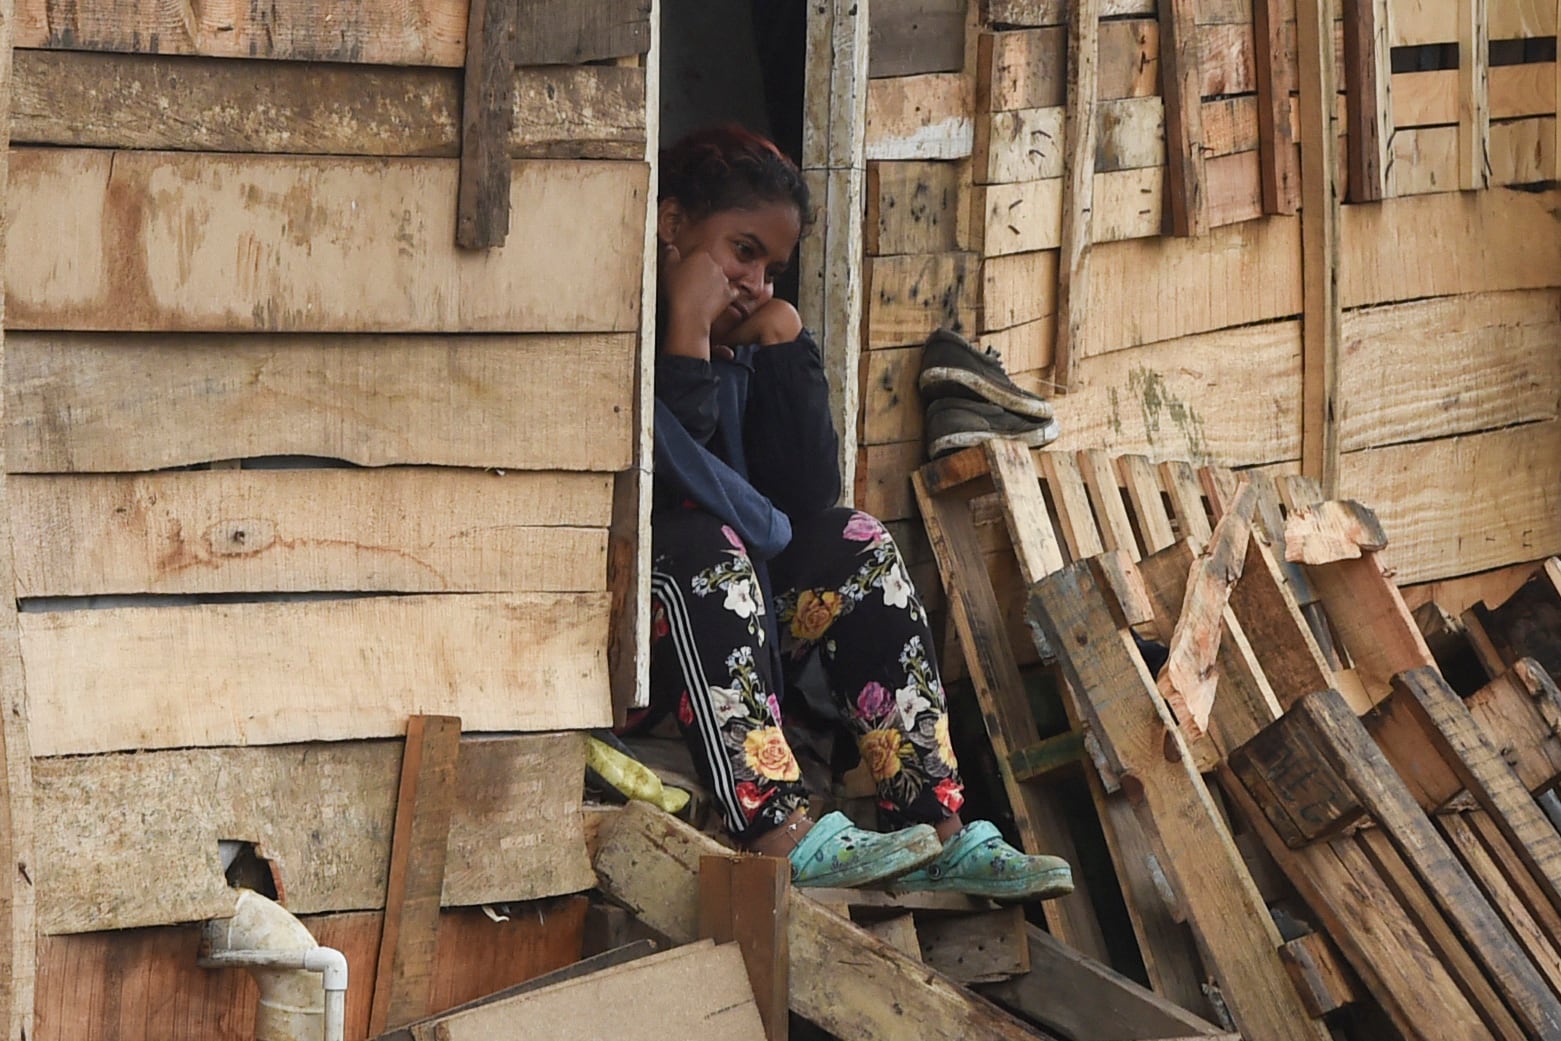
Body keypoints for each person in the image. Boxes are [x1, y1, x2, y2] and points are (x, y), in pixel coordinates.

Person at [645, 124, 1072, 899]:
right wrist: (681, 331)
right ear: (671, 225)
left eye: (773, 268)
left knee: (855, 538)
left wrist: (782, 341)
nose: (757, 282)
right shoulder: (628, 331)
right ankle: (775, 827)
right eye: (742, 252)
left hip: (749, 644)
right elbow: (682, 487)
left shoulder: (743, 338)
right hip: (646, 649)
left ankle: (937, 827)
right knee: (699, 540)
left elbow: (804, 508)